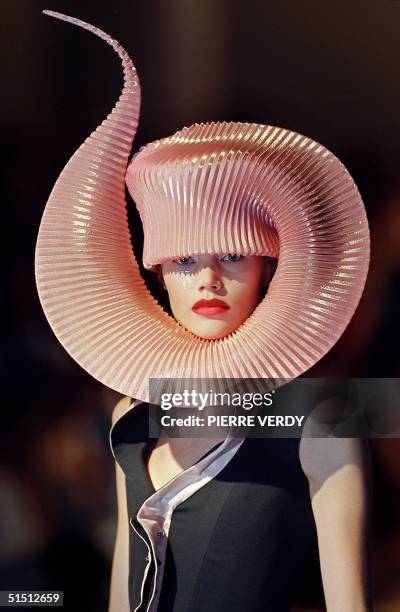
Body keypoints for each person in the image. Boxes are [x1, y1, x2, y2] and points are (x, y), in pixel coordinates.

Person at [36, 11, 374, 612]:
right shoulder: (134, 414)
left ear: (272, 266)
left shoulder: (323, 418)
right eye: (184, 259)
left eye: (234, 255)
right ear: (156, 271)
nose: (209, 279)